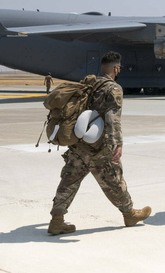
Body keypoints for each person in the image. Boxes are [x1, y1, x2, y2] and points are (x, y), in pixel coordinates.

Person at [48, 52, 151, 234]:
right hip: (99, 147)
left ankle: (57, 220)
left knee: (69, 180)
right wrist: (117, 144)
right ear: (116, 69)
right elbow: (113, 119)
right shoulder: (113, 89)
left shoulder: (89, 83)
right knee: (113, 180)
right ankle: (129, 214)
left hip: (79, 143)